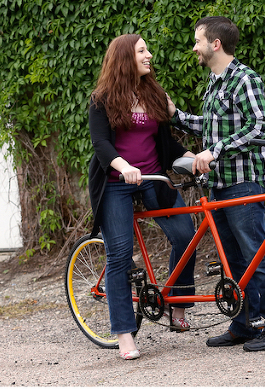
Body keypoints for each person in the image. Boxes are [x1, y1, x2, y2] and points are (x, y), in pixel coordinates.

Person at [167, 16, 265, 352]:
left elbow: (258, 126)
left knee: (256, 256)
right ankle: (246, 324)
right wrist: (176, 114)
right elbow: (211, 126)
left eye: (198, 41)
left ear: (215, 44)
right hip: (219, 183)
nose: (194, 47)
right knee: (233, 260)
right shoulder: (214, 82)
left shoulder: (244, 78)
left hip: (244, 181)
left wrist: (215, 150)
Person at [88, 33, 198, 360]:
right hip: (116, 182)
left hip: (154, 179)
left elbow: (167, 144)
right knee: (120, 255)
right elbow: (101, 145)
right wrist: (124, 167)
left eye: (147, 50)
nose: (149, 55)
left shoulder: (154, 94)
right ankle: (124, 333)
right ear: (125, 57)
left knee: (186, 236)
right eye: (142, 51)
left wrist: (192, 158)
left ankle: (176, 306)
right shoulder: (102, 99)